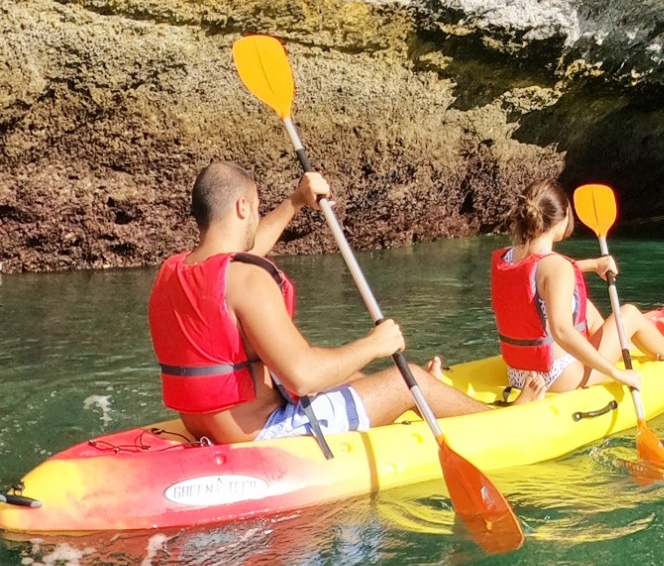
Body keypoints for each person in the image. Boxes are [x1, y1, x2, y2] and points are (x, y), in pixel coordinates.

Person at [147, 161, 494, 444]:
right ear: (243, 207)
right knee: (407, 380)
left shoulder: (175, 270)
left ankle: (424, 398)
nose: (257, 214)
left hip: (204, 425)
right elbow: (303, 378)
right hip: (264, 430)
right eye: (256, 207)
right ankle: (503, 418)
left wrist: (296, 201)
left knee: (352, 375)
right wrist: (374, 344)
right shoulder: (249, 279)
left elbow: (242, 253)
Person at [490, 179, 664, 396]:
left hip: (518, 374)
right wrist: (616, 373)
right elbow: (561, 330)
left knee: (585, 305)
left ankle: (618, 346)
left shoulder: (508, 256)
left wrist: (593, 264)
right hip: (559, 377)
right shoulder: (556, 267)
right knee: (629, 314)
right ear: (561, 218)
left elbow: (538, 278)